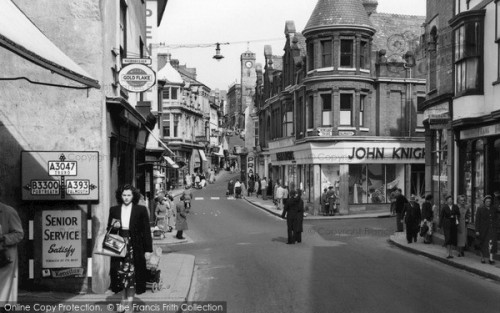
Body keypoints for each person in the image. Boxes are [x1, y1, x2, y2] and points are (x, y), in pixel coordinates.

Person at [108, 184, 153, 312]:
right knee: (120, 274)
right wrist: (113, 227)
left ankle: (130, 304)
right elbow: (110, 230)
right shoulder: (114, 210)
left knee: (132, 275)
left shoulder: (141, 210)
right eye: (124, 195)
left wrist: (148, 250)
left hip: (135, 247)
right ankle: (122, 300)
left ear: (133, 196)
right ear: (120, 196)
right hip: (119, 245)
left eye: (129, 195)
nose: (126, 198)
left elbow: (146, 231)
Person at [0, 201, 24, 308]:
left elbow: (19, 234)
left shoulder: (8, 211)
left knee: (4, 294)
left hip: (4, 257)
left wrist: (3, 238)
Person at [475, 195, 500, 264]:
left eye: (489, 201)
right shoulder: (480, 209)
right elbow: (477, 220)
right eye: (487, 201)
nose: (488, 202)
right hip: (483, 230)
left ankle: (491, 259)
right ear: (484, 202)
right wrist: (477, 230)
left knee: (492, 244)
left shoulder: (493, 208)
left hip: (492, 229)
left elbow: (498, 211)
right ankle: (482, 258)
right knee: (483, 244)